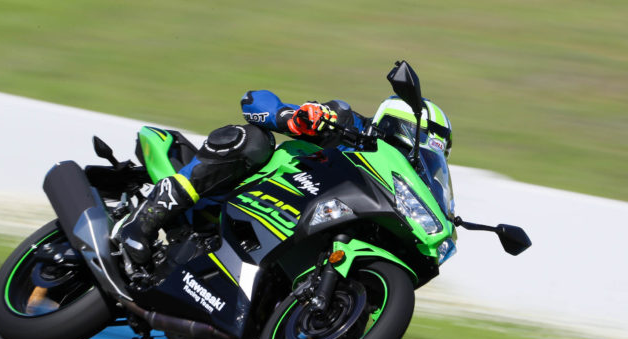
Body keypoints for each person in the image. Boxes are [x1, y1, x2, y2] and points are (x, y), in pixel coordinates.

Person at [119, 90, 452, 265]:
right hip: (252, 192)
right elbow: (253, 100)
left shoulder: (399, 185)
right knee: (253, 139)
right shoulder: (350, 125)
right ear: (393, 124)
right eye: (415, 139)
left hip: (302, 225)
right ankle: (146, 220)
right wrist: (293, 117)